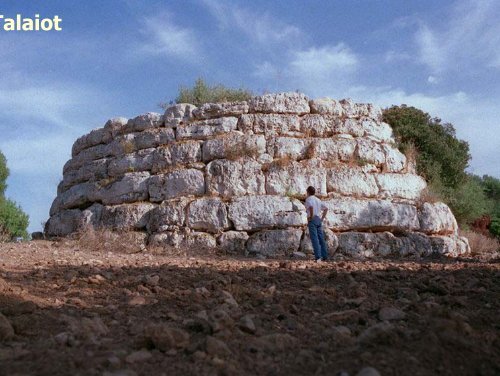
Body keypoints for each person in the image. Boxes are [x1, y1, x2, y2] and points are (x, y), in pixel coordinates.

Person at [305, 186, 328, 262]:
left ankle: (318, 257)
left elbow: (311, 207)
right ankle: (324, 256)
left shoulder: (308, 199)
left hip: (312, 219)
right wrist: (322, 218)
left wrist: (310, 217)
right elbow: (326, 208)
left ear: (308, 192)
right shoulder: (318, 200)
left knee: (314, 238)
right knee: (321, 238)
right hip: (318, 219)